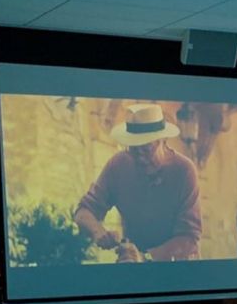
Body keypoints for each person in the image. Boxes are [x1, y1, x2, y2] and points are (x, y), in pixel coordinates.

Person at [74, 103, 201, 263]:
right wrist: (99, 232)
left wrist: (145, 257)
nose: (140, 157)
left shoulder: (184, 170)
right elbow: (83, 211)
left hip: (178, 271)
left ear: (163, 140)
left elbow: (189, 238)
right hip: (133, 264)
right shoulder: (118, 164)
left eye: (146, 149)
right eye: (134, 149)